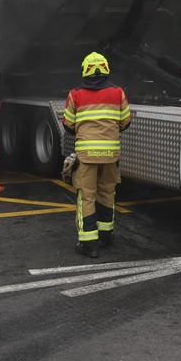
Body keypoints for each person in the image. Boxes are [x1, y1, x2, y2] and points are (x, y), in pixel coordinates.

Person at [61, 51, 132, 258]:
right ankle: (106, 235)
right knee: (107, 193)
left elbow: (68, 124)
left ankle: (89, 244)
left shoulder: (75, 94)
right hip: (110, 155)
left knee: (87, 196)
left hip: (86, 156)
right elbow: (126, 122)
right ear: (106, 69)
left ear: (85, 71)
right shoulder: (118, 92)